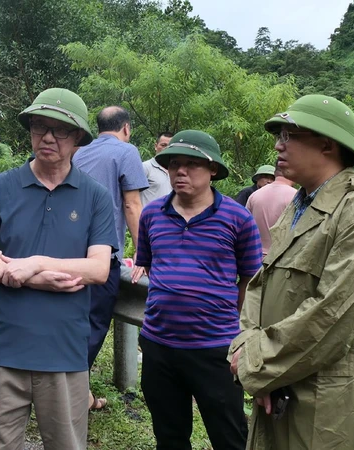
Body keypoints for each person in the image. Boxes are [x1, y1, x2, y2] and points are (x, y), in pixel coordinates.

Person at [228, 95, 354, 450]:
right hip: (278, 386)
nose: (278, 145)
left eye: (289, 135)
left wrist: (256, 362)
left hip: (327, 400)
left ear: (327, 144)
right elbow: (258, 287)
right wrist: (249, 350)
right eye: (279, 135)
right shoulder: (300, 204)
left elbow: (335, 316)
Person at [0, 88, 117, 450]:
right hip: (0, 348)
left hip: (64, 352)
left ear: (78, 137)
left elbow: (98, 270)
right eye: (38, 126)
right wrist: (38, 280)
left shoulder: (94, 196)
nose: (47, 137)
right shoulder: (1, 187)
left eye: (60, 129)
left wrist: (34, 264)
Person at [132, 130, 262, 450]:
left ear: (212, 170)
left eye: (192, 164)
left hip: (215, 348)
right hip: (159, 346)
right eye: (175, 163)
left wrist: (236, 330)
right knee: (169, 436)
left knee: (229, 437)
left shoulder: (238, 218)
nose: (181, 171)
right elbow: (148, 265)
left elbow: (251, 280)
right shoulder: (152, 215)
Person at [72, 105, 148, 410]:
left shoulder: (80, 153)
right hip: (102, 255)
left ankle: (79, 393)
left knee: (75, 325)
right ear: (126, 128)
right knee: (93, 326)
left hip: (69, 253)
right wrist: (145, 253)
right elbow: (132, 205)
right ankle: (71, 395)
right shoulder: (126, 151)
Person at [246, 168, 297, 255]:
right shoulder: (297, 196)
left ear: (275, 173)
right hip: (282, 257)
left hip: (255, 256)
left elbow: (244, 227)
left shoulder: (255, 195)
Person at [140, 131, 174, 205]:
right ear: (156, 146)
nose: (166, 148)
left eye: (170, 146)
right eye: (163, 145)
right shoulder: (145, 167)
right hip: (149, 215)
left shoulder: (177, 171)